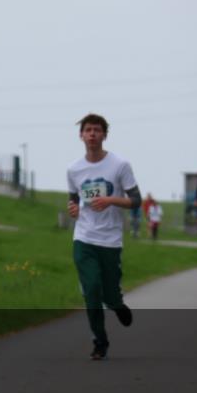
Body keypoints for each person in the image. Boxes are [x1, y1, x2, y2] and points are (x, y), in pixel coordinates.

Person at [66, 113, 142, 361]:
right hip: (84, 237)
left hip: (110, 240)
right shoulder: (74, 169)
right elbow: (74, 199)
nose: (92, 134)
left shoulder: (120, 165)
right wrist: (73, 209)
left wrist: (111, 200)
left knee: (108, 294)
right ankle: (100, 340)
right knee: (92, 289)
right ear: (81, 135)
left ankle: (117, 304)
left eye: (97, 130)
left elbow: (135, 200)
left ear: (104, 135)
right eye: (88, 130)